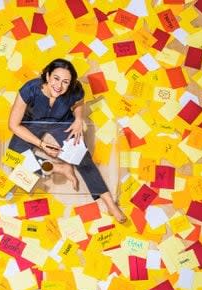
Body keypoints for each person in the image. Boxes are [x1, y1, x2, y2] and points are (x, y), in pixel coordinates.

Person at [8, 58, 127, 223]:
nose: (59, 86)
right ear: (48, 75)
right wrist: (41, 144)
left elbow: (79, 103)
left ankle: (109, 202)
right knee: (13, 159)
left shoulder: (74, 90)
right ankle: (60, 168)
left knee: (83, 159)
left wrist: (78, 119)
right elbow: (13, 125)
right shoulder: (29, 89)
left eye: (65, 82)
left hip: (62, 122)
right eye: (56, 78)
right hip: (32, 123)